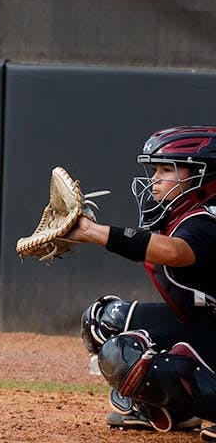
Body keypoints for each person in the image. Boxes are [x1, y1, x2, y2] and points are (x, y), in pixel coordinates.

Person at [64, 126, 216, 438]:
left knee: (125, 355)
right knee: (103, 320)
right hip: (208, 324)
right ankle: (176, 410)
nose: (155, 179)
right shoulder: (186, 213)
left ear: (203, 176)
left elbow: (175, 252)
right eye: (155, 169)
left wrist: (93, 232)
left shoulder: (206, 221)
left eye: (166, 169)